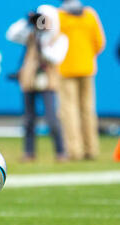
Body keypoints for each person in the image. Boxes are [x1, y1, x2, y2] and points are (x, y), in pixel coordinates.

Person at [6, 5, 68, 162]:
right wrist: (27, 21)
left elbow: (55, 57)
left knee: (51, 118)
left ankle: (61, 152)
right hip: (29, 80)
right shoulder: (31, 34)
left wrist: (44, 41)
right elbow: (11, 35)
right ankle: (29, 152)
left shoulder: (60, 38)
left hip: (48, 81)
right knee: (28, 119)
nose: (43, 22)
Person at [57, 0, 105, 161]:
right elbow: (99, 42)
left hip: (66, 68)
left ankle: (74, 151)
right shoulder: (90, 15)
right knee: (88, 109)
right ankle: (91, 149)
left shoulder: (59, 16)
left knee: (69, 111)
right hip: (87, 67)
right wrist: (87, 56)